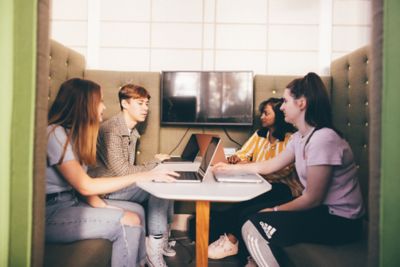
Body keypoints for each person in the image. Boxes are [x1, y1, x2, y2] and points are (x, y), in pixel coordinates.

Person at [214, 72, 365, 267]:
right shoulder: (299, 138)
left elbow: (313, 198)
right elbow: (270, 165)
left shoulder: (323, 139)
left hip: (340, 222)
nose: (282, 107)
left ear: (301, 103)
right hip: (321, 211)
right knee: (248, 212)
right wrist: (229, 169)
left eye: (285, 101)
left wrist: (275, 209)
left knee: (253, 224)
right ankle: (254, 260)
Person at [45, 78, 177, 267]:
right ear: (84, 103)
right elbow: (85, 184)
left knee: (135, 214)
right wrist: (145, 174)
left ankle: (143, 259)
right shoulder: (54, 133)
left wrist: (105, 207)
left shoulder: (76, 136)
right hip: (51, 212)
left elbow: (80, 188)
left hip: (72, 202)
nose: (104, 107)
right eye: (100, 101)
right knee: (130, 220)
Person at [87, 84, 174, 267]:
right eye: (140, 103)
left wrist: (156, 166)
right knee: (160, 185)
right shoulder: (112, 129)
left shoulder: (131, 131)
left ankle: (161, 240)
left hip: (119, 184)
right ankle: (154, 247)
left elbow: (128, 169)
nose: (146, 108)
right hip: (106, 188)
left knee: (166, 179)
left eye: (147, 104)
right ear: (124, 104)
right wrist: (154, 166)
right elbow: (123, 171)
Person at [207, 98, 303, 261]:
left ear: (278, 116)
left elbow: (282, 171)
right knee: (240, 203)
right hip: (260, 182)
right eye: (262, 113)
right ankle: (230, 238)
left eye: (267, 113)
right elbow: (243, 154)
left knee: (246, 206)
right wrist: (234, 161)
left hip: (284, 188)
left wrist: (250, 165)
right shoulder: (259, 135)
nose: (262, 117)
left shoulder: (290, 138)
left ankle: (231, 240)